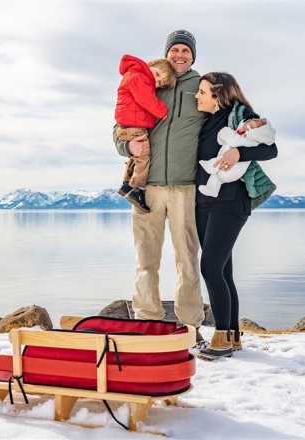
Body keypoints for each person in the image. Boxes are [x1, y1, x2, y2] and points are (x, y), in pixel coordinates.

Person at [113, 30, 207, 344]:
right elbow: (120, 125)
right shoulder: (151, 80)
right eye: (175, 50)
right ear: (167, 53)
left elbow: (224, 120)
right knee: (146, 259)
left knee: (187, 259)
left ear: (193, 56)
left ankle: (190, 329)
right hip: (147, 189)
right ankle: (146, 325)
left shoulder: (202, 87)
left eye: (186, 51)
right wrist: (129, 150)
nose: (179, 55)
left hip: (185, 188)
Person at [194, 72, 278, 360]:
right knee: (223, 271)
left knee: (210, 268)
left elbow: (271, 148)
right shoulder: (205, 122)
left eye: (202, 92)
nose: (197, 96)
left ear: (218, 94)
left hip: (230, 202)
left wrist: (238, 156)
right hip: (203, 202)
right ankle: (232, 336)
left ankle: (221, 337)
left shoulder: (239, 115)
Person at [115, 55, 176, 212]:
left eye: (160, 83)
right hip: (132, 125)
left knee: (137, 158)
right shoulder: (138, 77)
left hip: (132, 124)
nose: (156, 82)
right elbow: (147, 100)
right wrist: (162, 111)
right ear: (149, 65)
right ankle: (136, 188)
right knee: (143, 158)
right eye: (157, 75)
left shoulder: (138, 76)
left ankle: (126, 184)